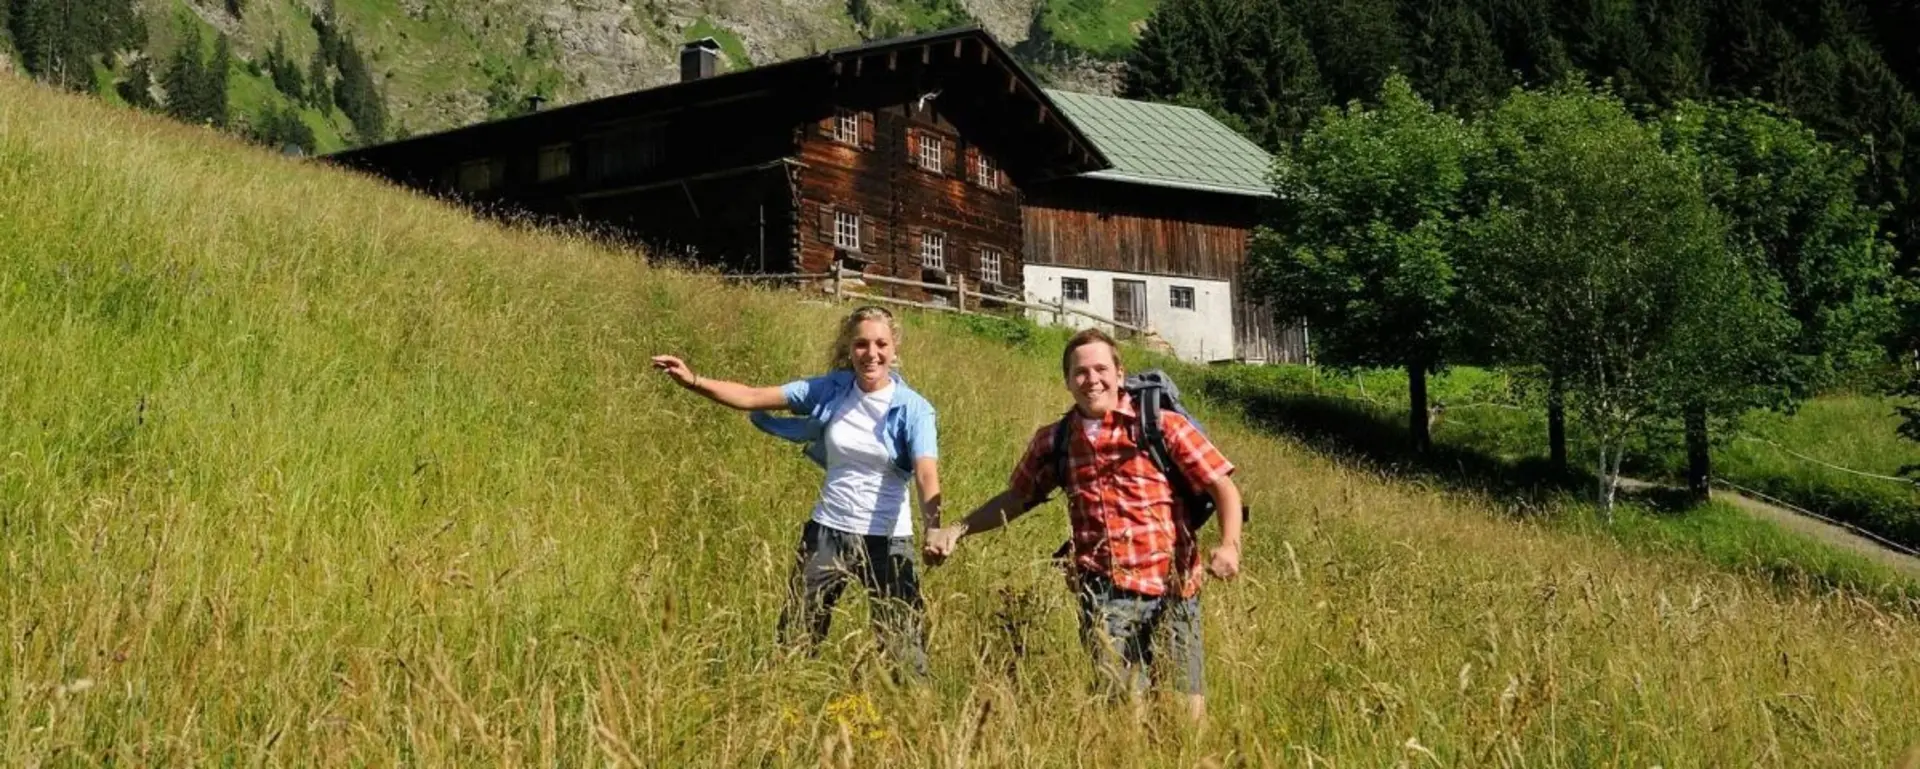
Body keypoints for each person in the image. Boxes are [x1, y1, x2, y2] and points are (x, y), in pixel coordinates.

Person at [924, 328, 1242, 721]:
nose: (1092, 379)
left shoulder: (1161, 426)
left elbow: (1221, 485)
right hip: (1104, 593)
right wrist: (957, 528)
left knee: (1184, 711)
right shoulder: (1054, 441)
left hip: (1174, 587)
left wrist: (1230, 545)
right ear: (1067, 381)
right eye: (1080, 372)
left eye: (1100, 369)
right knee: (1124, 715)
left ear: (1119, 374)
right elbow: (1017, 498)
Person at [651, 306, 940, 679]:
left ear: (894, 347)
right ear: (849, 348)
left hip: (889, 540)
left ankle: (912, 726)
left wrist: (934, 525)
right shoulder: (830, 390)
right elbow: (753, 397)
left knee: (904, 652)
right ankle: (790, 711)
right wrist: (693, 380)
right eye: (861, 344)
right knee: (796, 640)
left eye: (881, 344)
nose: (872, 354)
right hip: (827, 533)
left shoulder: (914, 409)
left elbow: (926, 471)